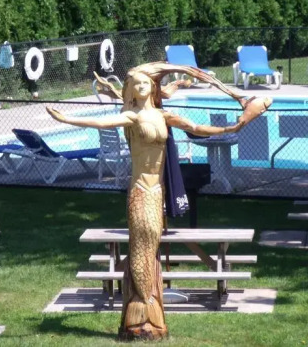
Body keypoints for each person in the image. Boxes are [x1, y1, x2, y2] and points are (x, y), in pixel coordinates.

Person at [46, 64, 271, 340]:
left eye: (146, 83)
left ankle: (148, 307)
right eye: (136, 84)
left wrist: (233, 127)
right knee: (144, 241)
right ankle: (142, 307)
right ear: (130, 90)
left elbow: (196, 128)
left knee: (150, 244)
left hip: (158, 190)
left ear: (152, 87)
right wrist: (68, 120)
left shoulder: (164, 115)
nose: (142, 86)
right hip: (141, 188)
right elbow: (103, 123)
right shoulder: (131, 116)